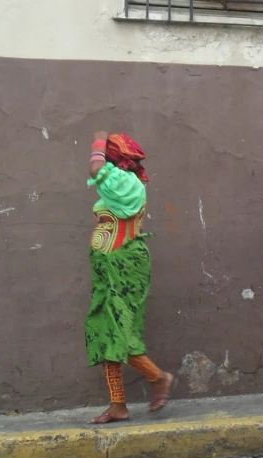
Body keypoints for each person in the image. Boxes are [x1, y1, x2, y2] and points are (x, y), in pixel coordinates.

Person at [85, 130, 173, 423]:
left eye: (105, 154)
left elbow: (96, 169)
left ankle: (157, 377)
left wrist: (97, 140)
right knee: (104, 332)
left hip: (123, 267)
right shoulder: (115, 188)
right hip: (107, 268)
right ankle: (118, 405)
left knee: (119, 330)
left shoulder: (126, 182)